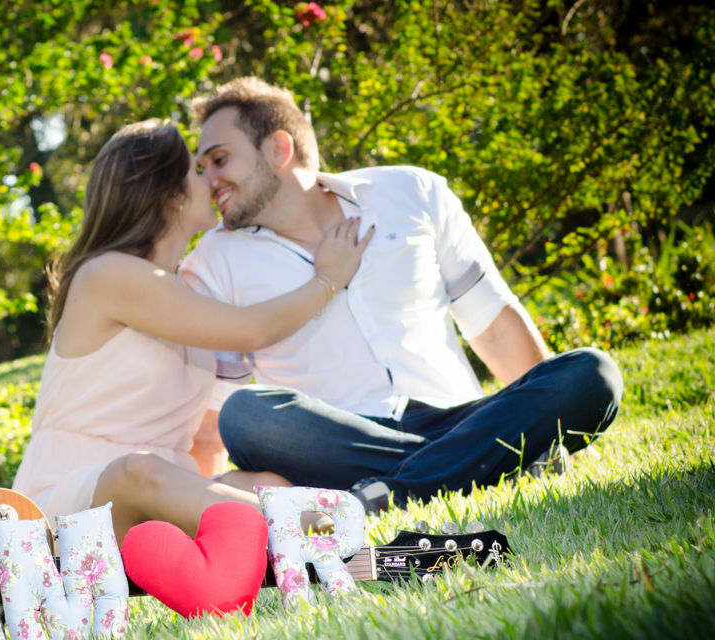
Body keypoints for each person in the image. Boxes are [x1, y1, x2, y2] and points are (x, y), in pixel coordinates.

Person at [178, 77, 623, 513]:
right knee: (246, 414)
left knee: (592, 372)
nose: (209, 180)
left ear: (278, 149)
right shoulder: (212, 263)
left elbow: (493, 324)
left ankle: (391, 493)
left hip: (460, 419)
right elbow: (217, 414)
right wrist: (202, 497)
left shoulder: (411, 192)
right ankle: (490, 462)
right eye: (203, 168)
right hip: (337, 443)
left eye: (218, 160)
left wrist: (546, 425)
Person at [11, 119, 372, 540]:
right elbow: (251, 329)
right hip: (73, 496)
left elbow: (202, 438)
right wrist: (326, 282)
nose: (212, 182)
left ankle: (288, 531)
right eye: (196, 172)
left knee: (267, 484)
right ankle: (317, 529)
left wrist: (218, 490)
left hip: (158, 487)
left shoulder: (180, 293)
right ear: (171, 195)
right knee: (138, 470)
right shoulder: (107, 274)